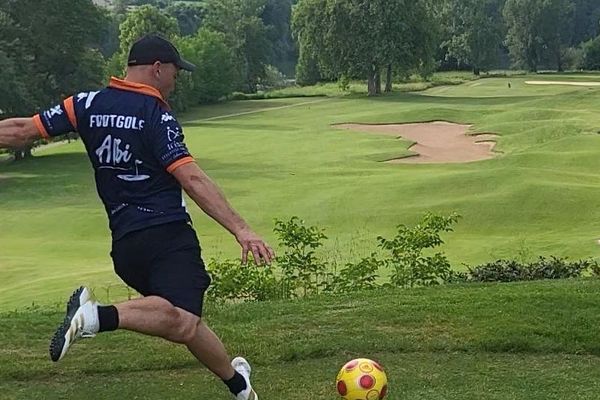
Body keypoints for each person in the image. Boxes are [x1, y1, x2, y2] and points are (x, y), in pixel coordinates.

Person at [0, 34, 275, 400]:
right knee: (183, 319)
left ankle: (239, 386)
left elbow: (22, 131)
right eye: (175, 72)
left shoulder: (85, 102)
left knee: (181, 319)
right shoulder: (156, 114)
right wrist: (242, 229)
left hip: (127, 247)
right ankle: (95, 316)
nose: (176, 81)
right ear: (157, 68)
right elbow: (191, 177)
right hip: (166, 235)